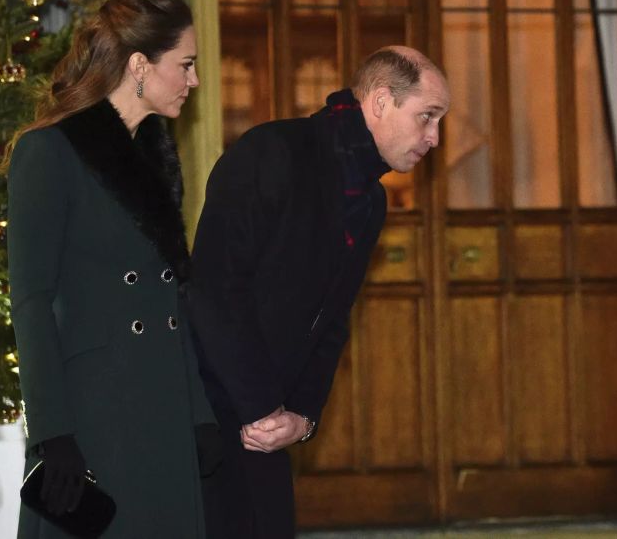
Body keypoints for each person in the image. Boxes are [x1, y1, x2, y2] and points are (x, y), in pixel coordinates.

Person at [188, 45, 450, 538]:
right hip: (208, 414)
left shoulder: (371, 200)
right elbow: (216, 291)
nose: (434, 138)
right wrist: (262, 407)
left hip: (267, 423)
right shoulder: (272, 152)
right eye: (427, 117)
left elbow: (333, 319)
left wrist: (303, 416)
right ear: (379, 103)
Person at [4, 0, 222, 538]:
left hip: (164, 405)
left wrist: (198, 414)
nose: (194, 81)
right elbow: (30, 304)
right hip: (95, 415)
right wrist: (53, 434)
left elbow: (171, 295)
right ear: (140, 65)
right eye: (186, 65)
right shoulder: (48, 152)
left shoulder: (154, 153)